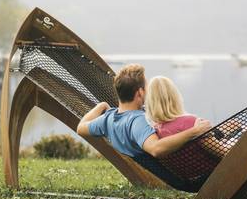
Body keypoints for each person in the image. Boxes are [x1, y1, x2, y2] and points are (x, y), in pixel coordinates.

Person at [76, 64, 211, 158]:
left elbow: (81, 128)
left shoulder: (108, 119)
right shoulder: (138, 121)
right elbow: (156, 149)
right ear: (140, 93)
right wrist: (194, 131)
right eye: (147, 87)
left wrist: (102, 105)